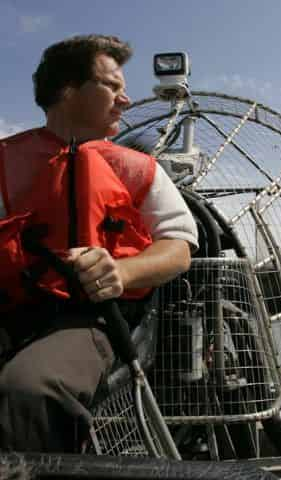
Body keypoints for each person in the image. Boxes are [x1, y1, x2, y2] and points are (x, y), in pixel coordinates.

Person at [0, 35, 198, 452]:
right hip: (14, 308)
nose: (126, 100)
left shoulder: (138, 168)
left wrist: (121, 271)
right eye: (113, 86)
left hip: (95, 320)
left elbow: (179, 247)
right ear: (68, 91)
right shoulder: (5, 161)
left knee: (30, 390)